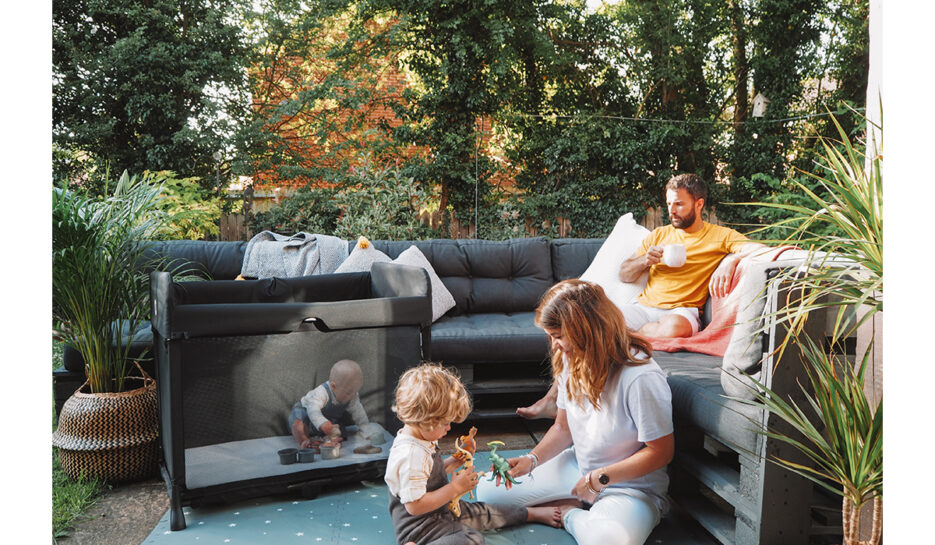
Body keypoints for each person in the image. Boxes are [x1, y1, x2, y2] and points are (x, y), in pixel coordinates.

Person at [518, 173, 766, 419]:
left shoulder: (720, 235)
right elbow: (625, 273)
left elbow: (761, 249)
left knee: (673, 327)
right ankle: (553, 399)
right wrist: (644, 261)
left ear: (699, 204)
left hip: (682, 310)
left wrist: (731, 260)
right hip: (644, 307)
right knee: (579, 326)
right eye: (669, 203)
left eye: (679, 204)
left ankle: (617, 336)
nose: (672, 210)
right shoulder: (659, 235)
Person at [476, 280, 674, 545]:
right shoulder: (573, 359)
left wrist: (599, 479)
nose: (554, 345)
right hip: (579, 468)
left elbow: (661, 451)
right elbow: (562, 428)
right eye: (550, 336)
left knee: (606, 541)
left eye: (558, 336)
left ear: (586, 331)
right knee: (489, 491)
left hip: (630, 488)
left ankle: (569, 513)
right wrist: (531, 460)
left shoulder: (640, 377)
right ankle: (583, 505)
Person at [385, 363, 562, 545]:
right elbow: (414, 506)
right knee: (472, 539)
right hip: (421, 529)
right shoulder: (411, 455)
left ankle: (529, 514)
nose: (449, 428)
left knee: (481, 512)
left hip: (441, 510)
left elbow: (427, 476)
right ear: (426, 419)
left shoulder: (421, 437)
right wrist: (454, 488)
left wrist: (455, 461)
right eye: (445, 423)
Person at [290, 358, 369, 448]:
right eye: (349, 392)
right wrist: (322, 423)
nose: (353, 396)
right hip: (307, 415)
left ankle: (327, 441)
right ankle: (304, 441)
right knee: (298, 425)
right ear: (333, 386)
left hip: (328, 420)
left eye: (355, 391)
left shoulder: (352, 395)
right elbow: (313, 410)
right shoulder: (321, 392)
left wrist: (366, 430)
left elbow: (359, 413)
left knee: (340, 431)